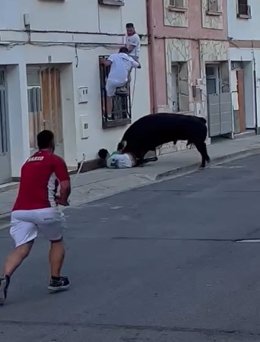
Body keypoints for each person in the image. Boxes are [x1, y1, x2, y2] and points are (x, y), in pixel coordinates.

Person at [0, 130, 71, 305]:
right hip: (44, 209)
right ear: (52, 142)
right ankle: (55, 279)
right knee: (56, 240)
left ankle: (4, 277)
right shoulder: (55, 160)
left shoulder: (26, 163)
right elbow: (65, 185)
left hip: (20, 211)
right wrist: (63, 199)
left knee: (22, 248)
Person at [100, 47, 141, 121]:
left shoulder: (114, 56)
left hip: (112, 81)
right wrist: (134, 60)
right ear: (127, 53)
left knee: (108, 96)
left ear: (119, 51)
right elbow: (139, 66)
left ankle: (108, 115)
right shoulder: (129, 58)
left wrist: (102, 61)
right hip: (123, 81)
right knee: (127, 78)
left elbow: (107, 64)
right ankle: (122, 90)